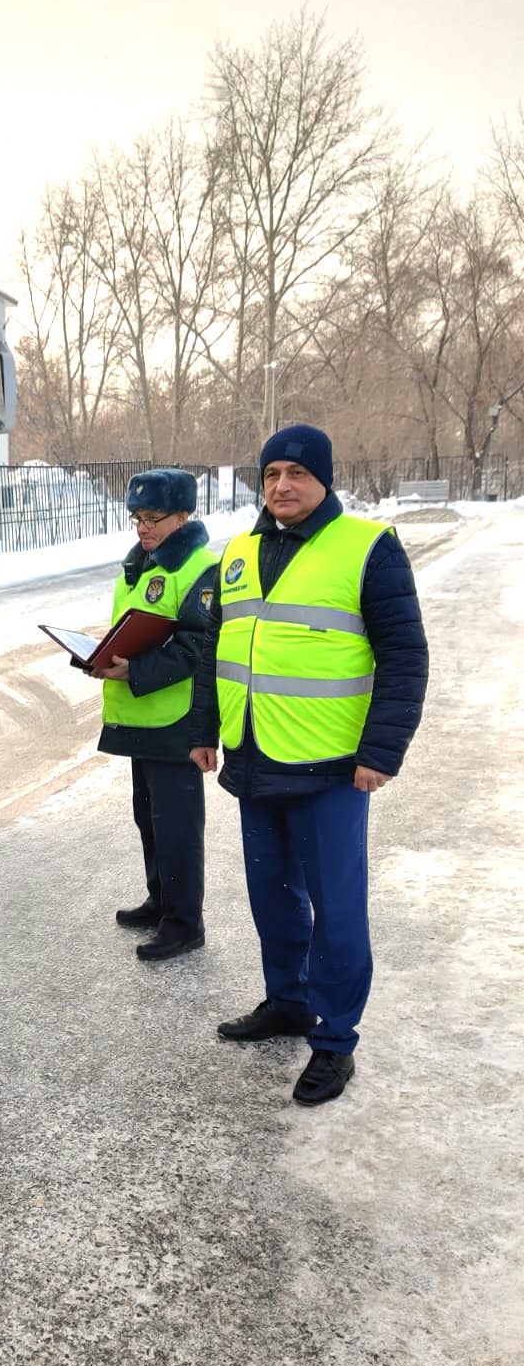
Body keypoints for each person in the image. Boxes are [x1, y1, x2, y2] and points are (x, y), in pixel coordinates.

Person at [189, 425, 429, 1106]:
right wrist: (206, 729)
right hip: (254, 759)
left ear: (323, 479)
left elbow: (405, 657)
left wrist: (381, 751)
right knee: (273, 899)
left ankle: (335, 1040)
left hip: (331, 769)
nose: (282, 486)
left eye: (296, 473)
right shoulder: (237, 553)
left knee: (338, 911)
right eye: (271, 475)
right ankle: (287, 1002)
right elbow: (215, 652)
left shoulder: (367, 549)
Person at [94, 469, 218, 961]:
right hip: (139, 717)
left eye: (153, 518)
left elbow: (197, 645)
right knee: (148, 817)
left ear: (183, 515)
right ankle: (162, 900)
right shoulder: (139, 565)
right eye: (137, 518)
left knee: (177, 826)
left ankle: (185, 923)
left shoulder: (201, 567)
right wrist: (104, 658)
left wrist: (136, 671)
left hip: (175, 719)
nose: (143, 528)